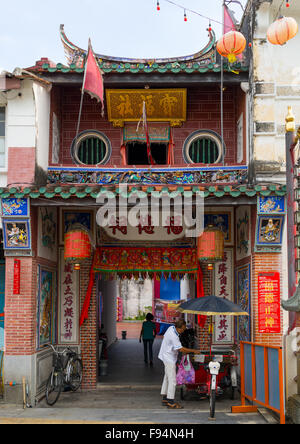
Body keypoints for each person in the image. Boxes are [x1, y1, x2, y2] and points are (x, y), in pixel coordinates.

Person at [158, 318, 201, 409]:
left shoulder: (171, 328)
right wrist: (194, 351)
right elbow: (181, 349)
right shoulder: (173, 335)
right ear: (180, 328)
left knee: (167, 377)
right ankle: (170, 401)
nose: (184, 330)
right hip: (168, 358)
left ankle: (165, 397)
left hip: (166, 355)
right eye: (183, 329)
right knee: (173, 380)